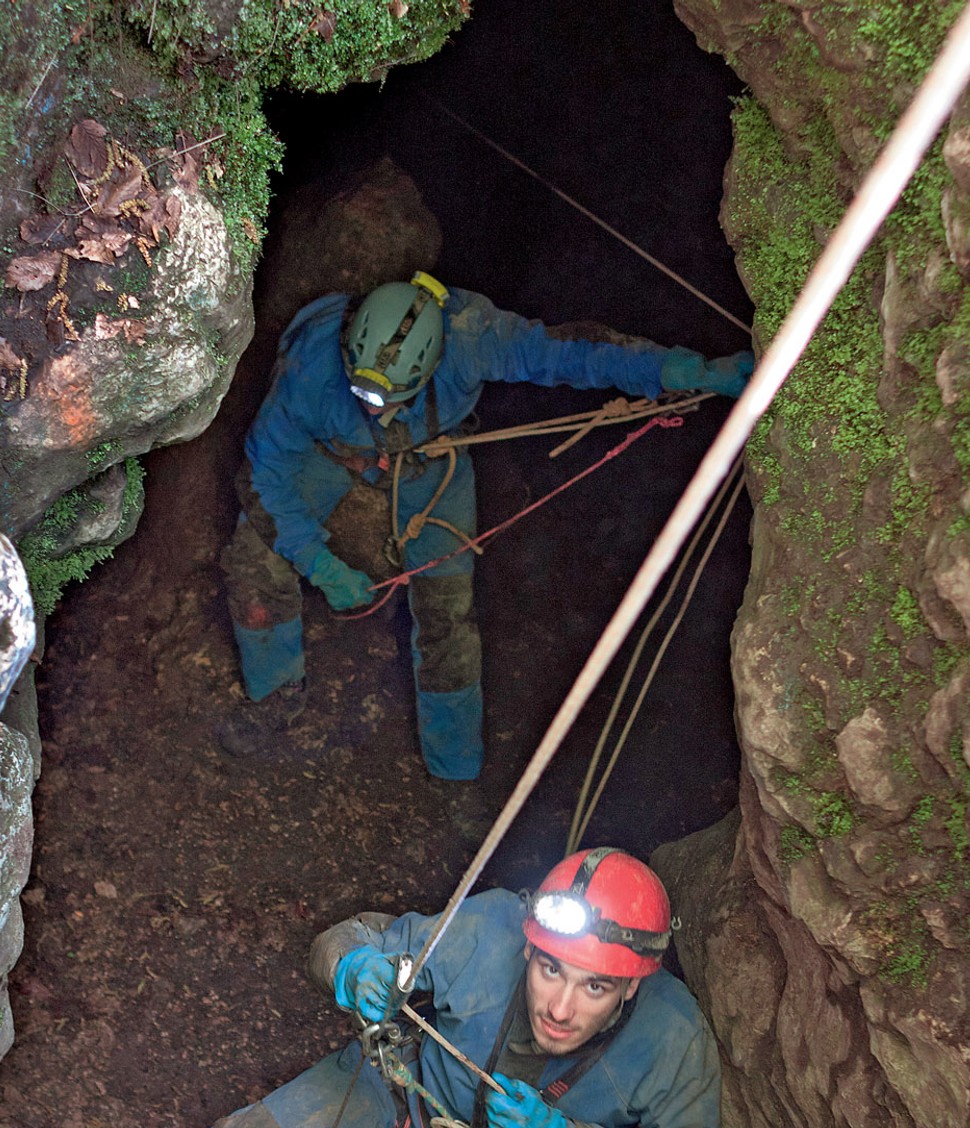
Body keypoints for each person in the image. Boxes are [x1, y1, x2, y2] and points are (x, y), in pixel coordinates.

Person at [219, 272, 754, 778]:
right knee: (256, 555)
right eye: (362, 390)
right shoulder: (311, 368)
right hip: (333, 453)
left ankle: (453, 767)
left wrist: (680, 371)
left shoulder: (472, 337)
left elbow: (573, 353)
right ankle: (274, 701)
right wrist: (320, 564)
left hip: (432, 459)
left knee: (446, 610)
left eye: (387, 396)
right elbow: (264, 474)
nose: (372, 404)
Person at [185, 847, 722, 1128]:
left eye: (595, 987)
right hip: (405, 1092)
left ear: (630, 989)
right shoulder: (490, 931)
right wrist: (352, 966)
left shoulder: (672, 1038)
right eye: (551, 969)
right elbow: (353, 936)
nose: (561, 1008)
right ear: (531, 948)